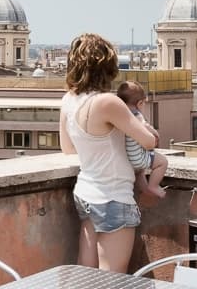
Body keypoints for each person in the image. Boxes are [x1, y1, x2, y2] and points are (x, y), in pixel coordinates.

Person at [60, 33, 158, 273]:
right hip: (113, 196)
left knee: (88, 275)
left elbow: (68, 148)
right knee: (111, 279)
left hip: (86, 193)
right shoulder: (108, 102)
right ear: (107, 67)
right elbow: (148, 142)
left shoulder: (68, 100)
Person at [116, 80, 168, 200]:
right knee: (162, 162)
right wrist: (154, 132)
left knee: (139, 172)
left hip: (127, 159)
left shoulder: (119, 115)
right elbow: (144, 127)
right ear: (140, 103)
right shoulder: (136, 115)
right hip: (138, 158)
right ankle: (153, 186)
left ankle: (145, 190)